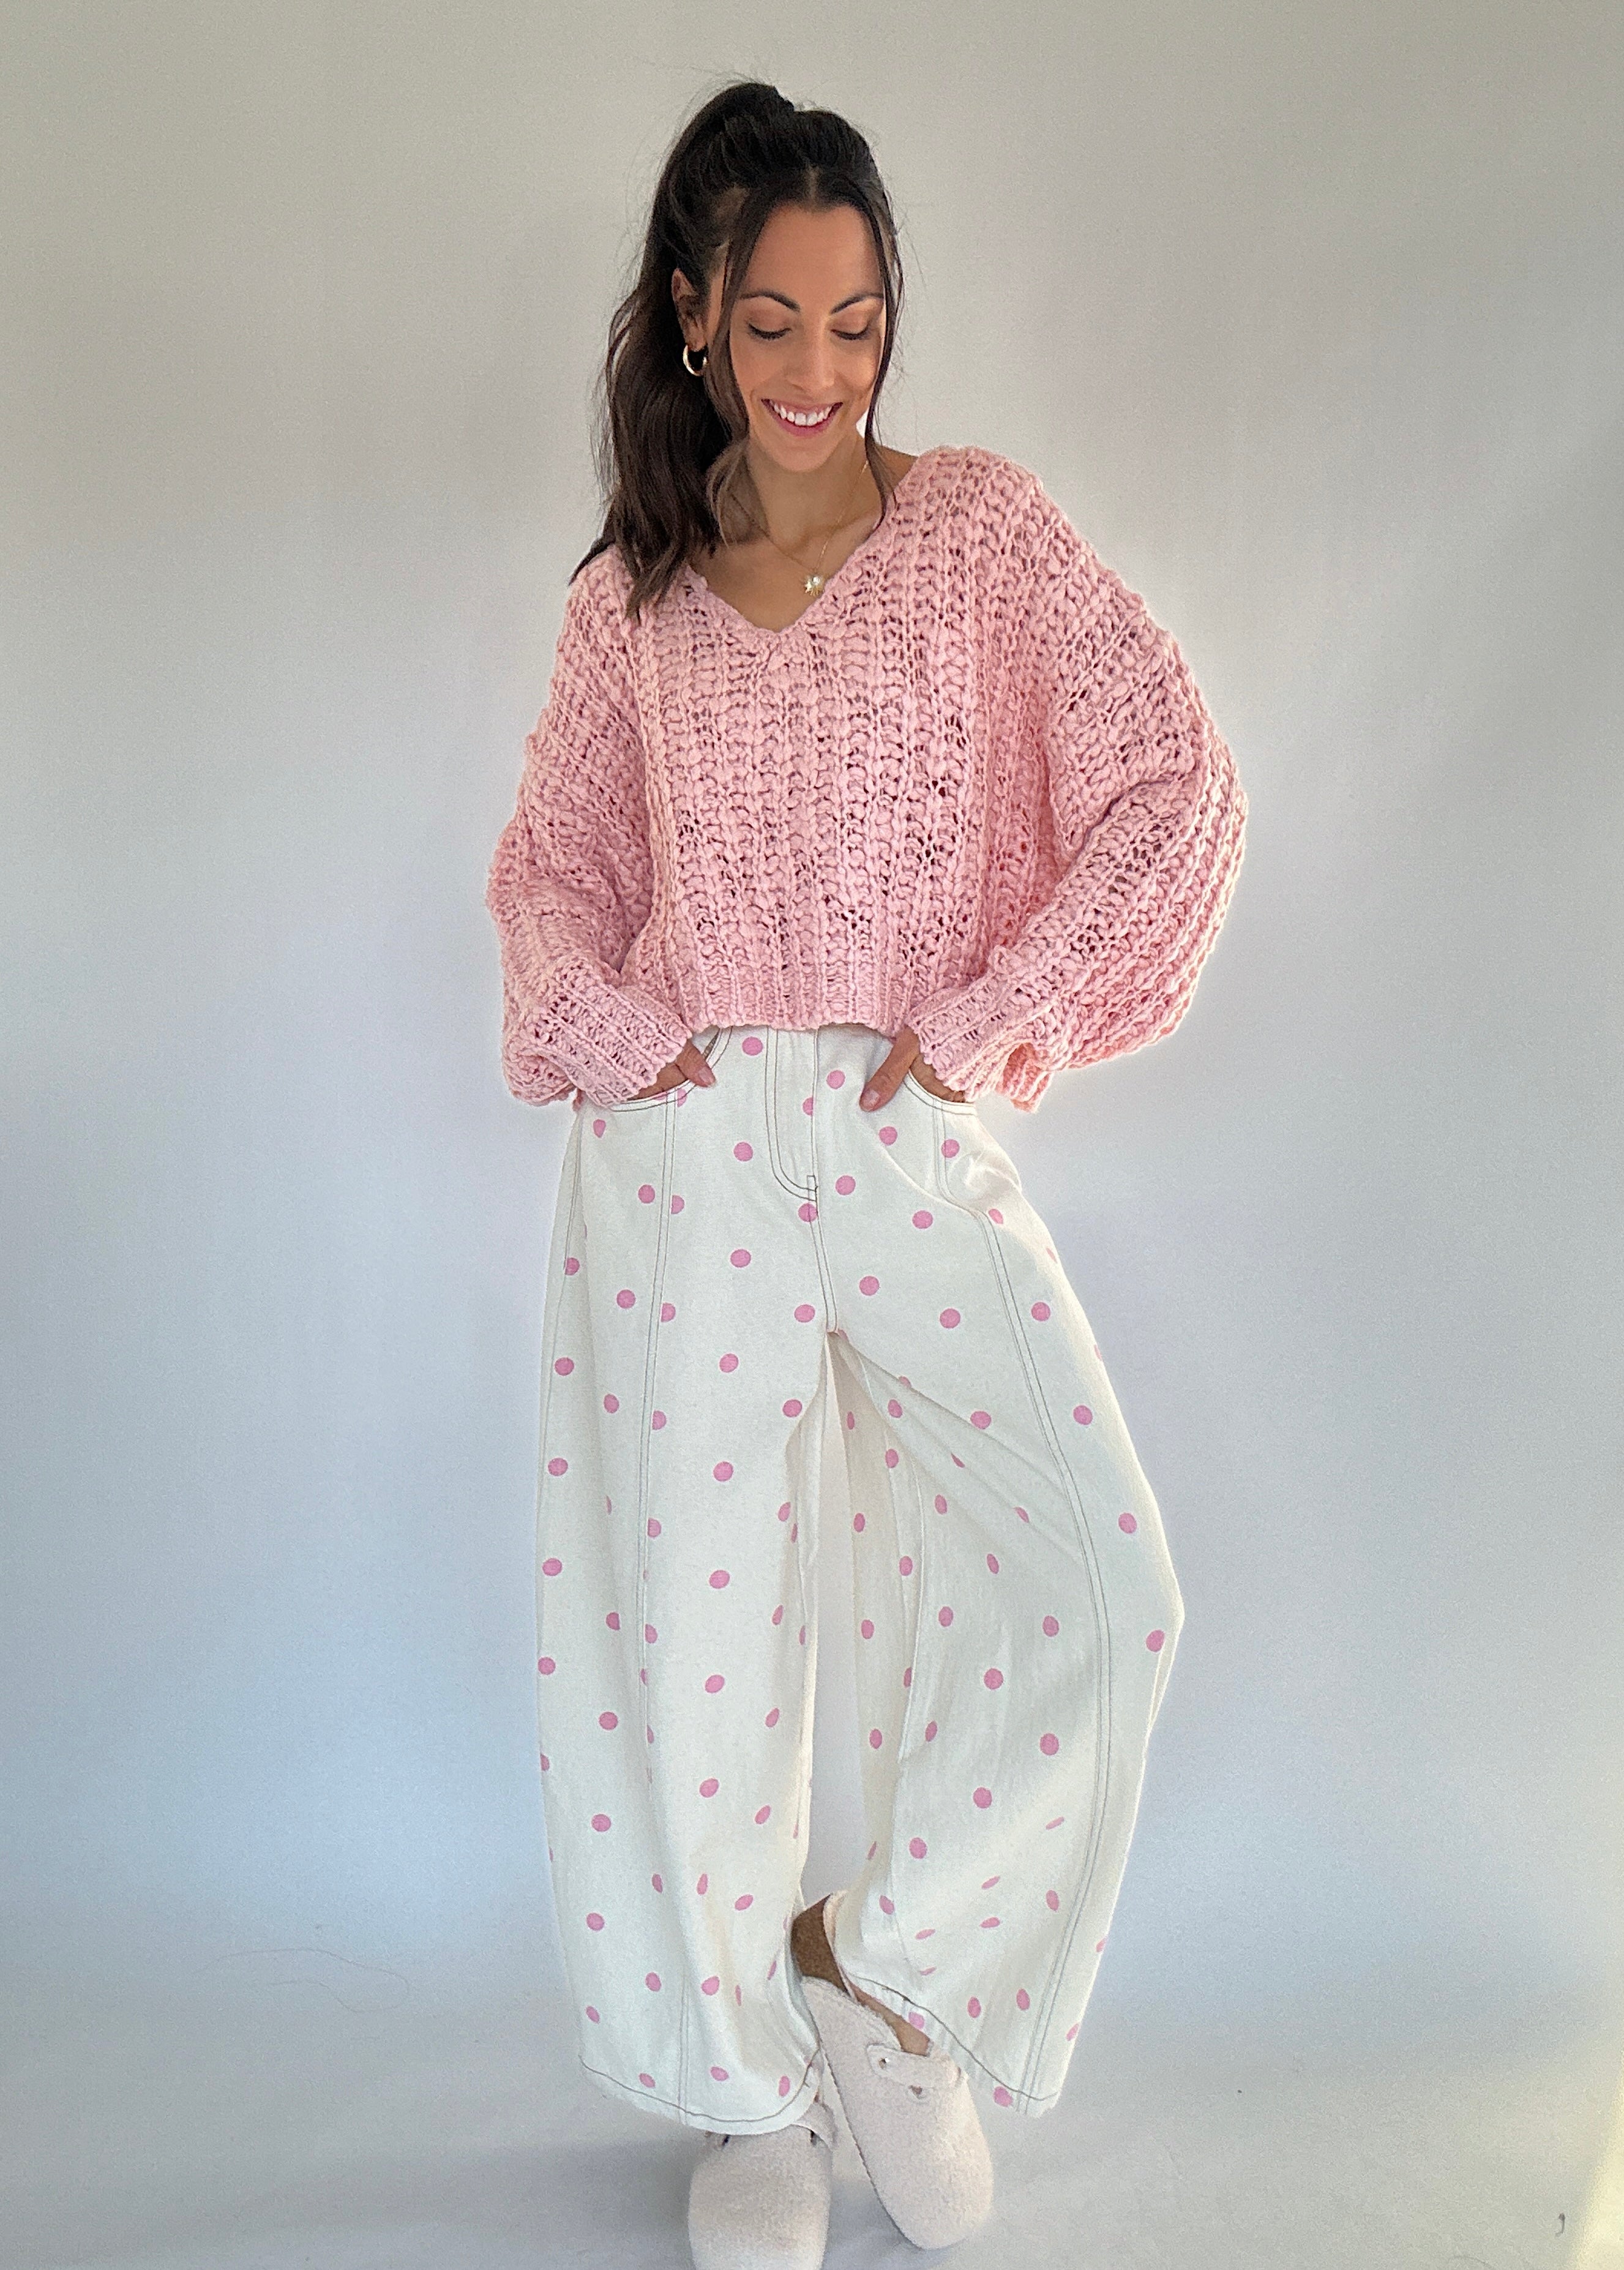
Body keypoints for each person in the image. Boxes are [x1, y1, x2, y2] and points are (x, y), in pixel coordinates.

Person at [484, 77, 1248, 2270]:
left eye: (859, 320)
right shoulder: (634, 599)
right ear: (693, 318)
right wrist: (623, 1046)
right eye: (773, 323)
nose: (820, 370)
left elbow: (1176, 786)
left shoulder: (981, 532)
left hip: (904, 1119)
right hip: (689, 1147)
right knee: (697, 1635)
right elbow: (551, 868)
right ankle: (747, 2095)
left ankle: (873, 1969)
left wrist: (1002, 1016)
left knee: (1101, 1581)